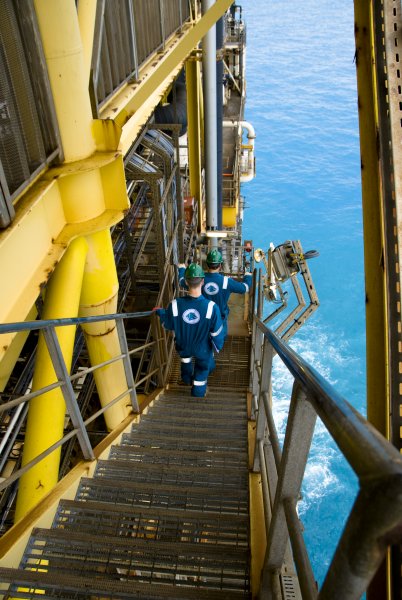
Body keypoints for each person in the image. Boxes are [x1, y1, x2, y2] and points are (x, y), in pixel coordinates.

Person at [154, 263, 224, 398]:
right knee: (202, 369)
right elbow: (217, 333)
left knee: (185, 359)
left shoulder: (175, 305)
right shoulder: (211, 307)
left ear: (186, 282)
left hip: (183, 345)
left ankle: (186, 378)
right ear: (202, 282)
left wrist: (160, 312)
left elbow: (167, 324)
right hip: (202, 348)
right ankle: (198, 393)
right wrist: (217, 346)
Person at [178, 249, 252, 339]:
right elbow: (244, 288)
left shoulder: (199, 279)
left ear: (207, 264)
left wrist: (182, 269)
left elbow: (182, 282)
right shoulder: (226, 281)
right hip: (219, 319)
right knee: (218, 339)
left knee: (203, 337)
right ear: (220, 265)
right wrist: (248, 276)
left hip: (201, 317)